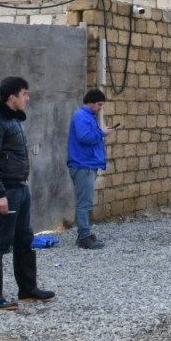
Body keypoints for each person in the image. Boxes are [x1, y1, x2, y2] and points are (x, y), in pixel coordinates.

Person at [0, 76, 54, 312]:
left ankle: (28, 289)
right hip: (6, 191)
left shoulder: (13, 121)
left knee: (24, 238)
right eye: (24, 94)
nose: (27, 98)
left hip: (20, 188)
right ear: (12, 97)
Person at [67, 88, 116, 250]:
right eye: (99, 104)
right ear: (92, 103)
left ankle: (85, 234)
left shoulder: (86, 116)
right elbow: (84, 137)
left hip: (87, 164)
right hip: (83, 165)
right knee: (84, 203)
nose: (101, 108)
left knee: (86, 202)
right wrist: (102, 133)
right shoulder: (82, 116)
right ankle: (84, 236)